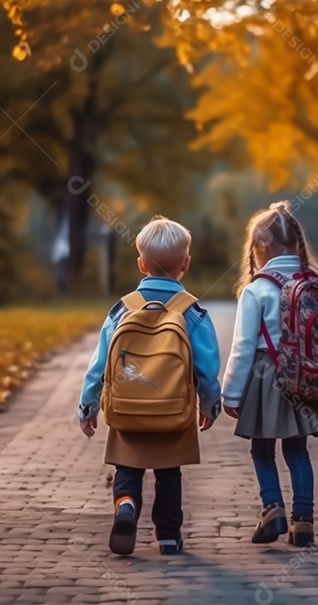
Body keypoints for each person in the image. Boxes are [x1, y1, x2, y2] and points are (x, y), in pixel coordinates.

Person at [78, 216, 222, 556]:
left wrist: (88, 404)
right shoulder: (192, 311)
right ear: (185, 264)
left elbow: (99, 363)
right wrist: (210, 404)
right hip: (174, 409)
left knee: (127, 467)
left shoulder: (122, 309)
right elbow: (206, 366)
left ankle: (126, 504)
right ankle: (169, 536)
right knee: (169, 474)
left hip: (128, 408)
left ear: (141, 264)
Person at [222, 202, 318, 547]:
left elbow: (244, 346)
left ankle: (272, 508)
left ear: (259, 248)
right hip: (305, 377)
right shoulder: (314, 281)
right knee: (297, 450)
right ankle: (303, 521)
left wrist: (230, 394)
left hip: (266, 377)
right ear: (296, 244)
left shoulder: (257, 289)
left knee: (262, 450)